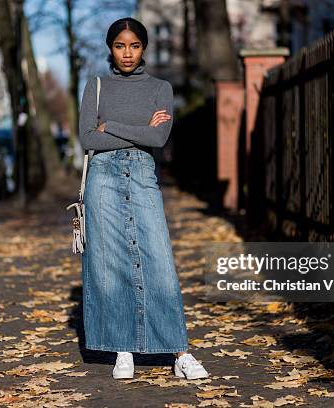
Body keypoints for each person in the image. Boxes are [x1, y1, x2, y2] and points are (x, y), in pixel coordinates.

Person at [78, 17, 209, 380]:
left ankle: (180, 351)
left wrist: (113, 128)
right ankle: (124, 351)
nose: (127, 53)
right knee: (111, 264)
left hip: (142, 175)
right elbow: (88, 139)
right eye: (120, 45)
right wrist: (139, 132)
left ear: (144, 48)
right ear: (110, 48)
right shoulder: (97, 85)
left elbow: (159, 139)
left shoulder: (160, 88)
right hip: (102, 179)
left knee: (159, 259)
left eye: (134, 45)